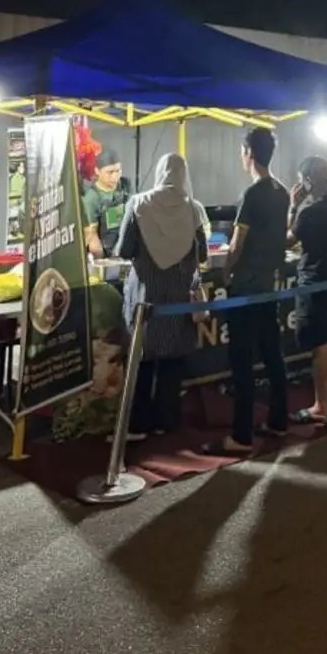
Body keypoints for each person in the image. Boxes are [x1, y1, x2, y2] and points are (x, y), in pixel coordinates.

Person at [206, 127, 291, 456]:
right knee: (271, 352)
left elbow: (237, 244)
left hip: (245, 285)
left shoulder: (253, 194)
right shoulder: (282, 192)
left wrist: (225, 270)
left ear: (249, 154)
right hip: (269, 283)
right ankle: (278, 420)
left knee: (241, 359)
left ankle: (241, 436)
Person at [116, 153, 207, 440]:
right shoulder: (193, 209)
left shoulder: (138, 204)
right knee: (172, 360)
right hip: (178, 296)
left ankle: (139, 423)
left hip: (146, 295)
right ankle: (167, 421)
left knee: (141, 359)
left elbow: (124, 249)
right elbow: (202, 254)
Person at [288, 155, 327, 425]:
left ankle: (321, 405)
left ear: (307, 180)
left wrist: (293, 206)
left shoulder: (308, 211)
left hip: (314, 279)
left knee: (320, 345)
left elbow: (288, 240)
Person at [82, 147, 129, 258]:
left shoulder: (125, 186)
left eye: (118, 171)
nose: (115, 176)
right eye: (110, 172)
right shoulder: (91, 198)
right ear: (97, 171)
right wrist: (102, 262)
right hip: (106, 253)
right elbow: (91, 235)